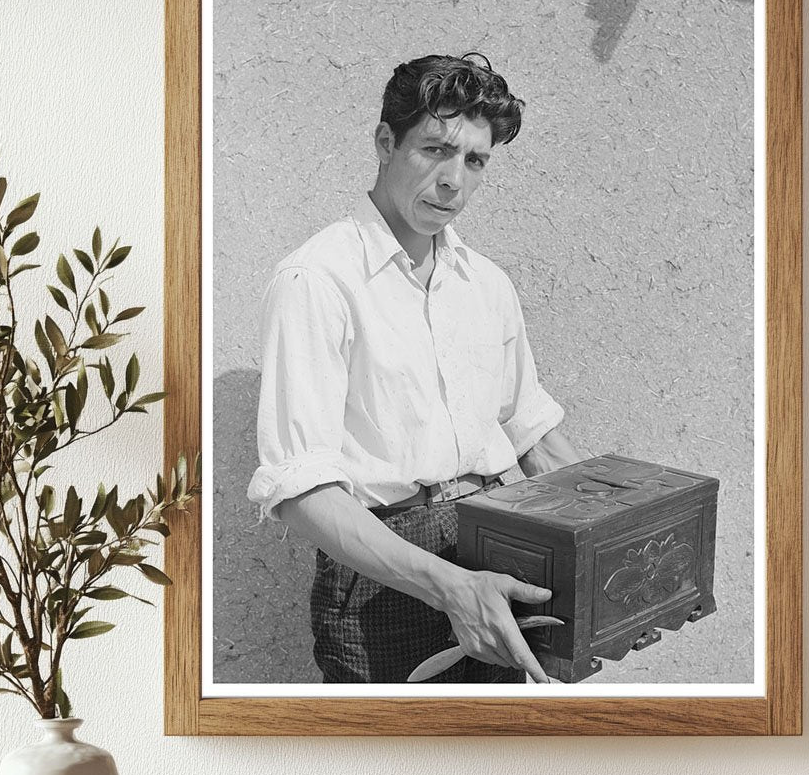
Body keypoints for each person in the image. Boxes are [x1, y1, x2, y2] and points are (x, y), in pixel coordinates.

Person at [247, 52, 582, 684]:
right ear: (384, 142)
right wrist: (451, 587)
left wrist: (626, 530)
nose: (454, 180)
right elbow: (300, 494)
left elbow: (530, 435)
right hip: (385, 581)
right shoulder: (317, 279)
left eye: (475, 160)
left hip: (500, 551)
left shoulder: (486, 283)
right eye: (435, 149)